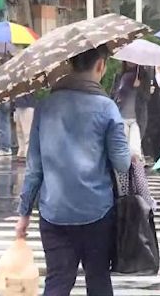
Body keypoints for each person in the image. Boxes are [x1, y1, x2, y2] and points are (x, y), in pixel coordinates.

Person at [15, 45, 131, 296]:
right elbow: (122, 163)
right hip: (97, 211)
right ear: (100, 65)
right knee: (98, 281)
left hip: (54, 212)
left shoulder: (45, 107)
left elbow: (34, 168)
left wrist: (23, 214)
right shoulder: (106, 107)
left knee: (57, 283)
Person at [111, 62, 150, 161]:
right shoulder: (120, 76)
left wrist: (139, 87)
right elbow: (113, 95)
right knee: (122, 149)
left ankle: (136, 174)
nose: (130, 63)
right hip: (122, 116)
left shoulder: (144, 77)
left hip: (137, 118)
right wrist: (120, 94)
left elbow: (147, 97)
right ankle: (124, 174)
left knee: (134, 149)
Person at [13, 92, 36, 161]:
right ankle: (22, 152)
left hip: (27, 105)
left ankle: (27, 153)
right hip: (18, 105)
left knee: (27, 132)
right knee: (19, 132)